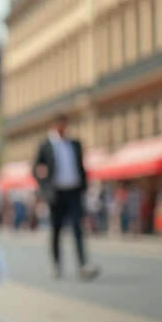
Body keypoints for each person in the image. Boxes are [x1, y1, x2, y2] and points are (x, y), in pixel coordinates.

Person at [33, 114, 99, 280]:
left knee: (78, 228)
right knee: (56, 230)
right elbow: (35, 168)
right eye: (59, 126)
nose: (62, 129)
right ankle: (56, 263)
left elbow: (81, 167)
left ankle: (83, 264)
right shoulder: (45, 145)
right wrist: (45, 187)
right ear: (54, 126)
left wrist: (84, 185)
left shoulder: (75, 144)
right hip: (56, 193)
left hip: (74, 191)